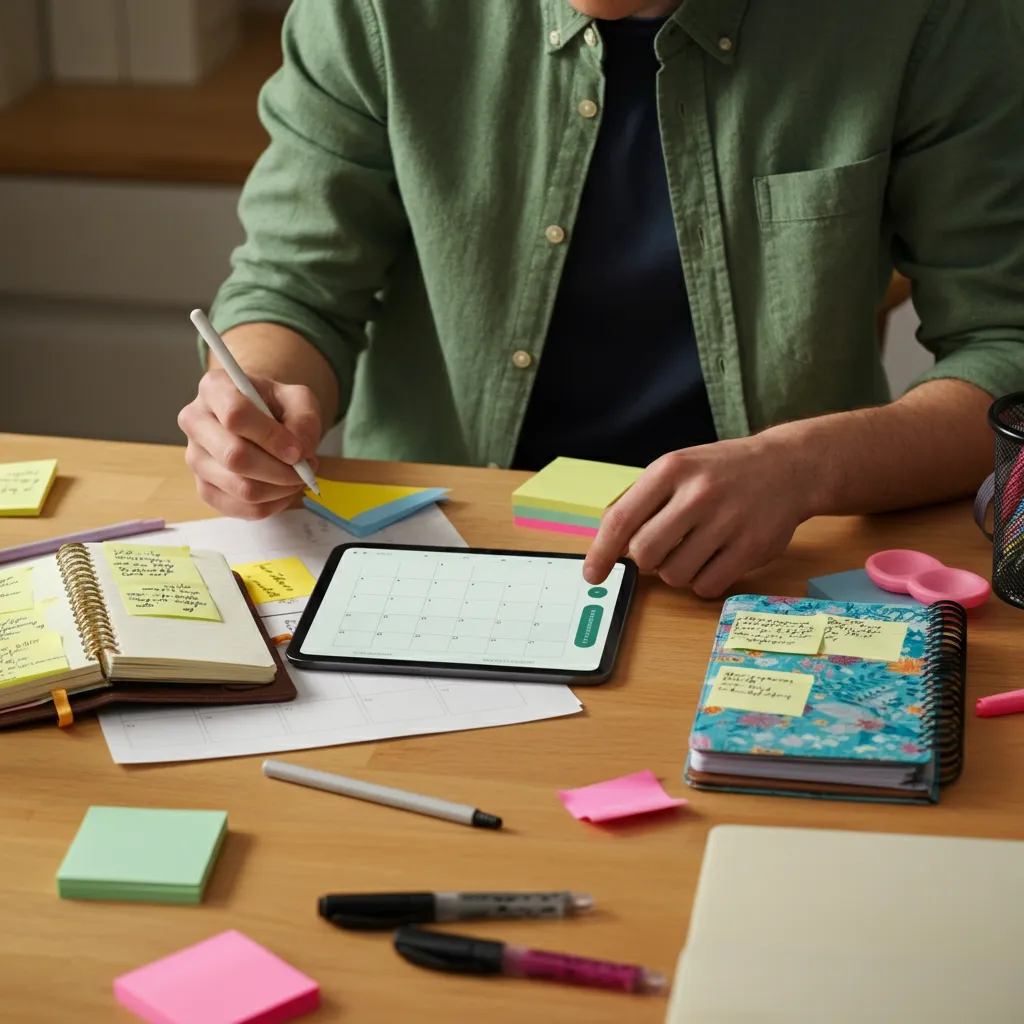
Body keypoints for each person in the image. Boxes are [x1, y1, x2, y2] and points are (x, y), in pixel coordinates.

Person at [178, 0, 1024, 596]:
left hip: (775, 566)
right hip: (441, 550)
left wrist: (807, 466)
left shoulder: (930, 17)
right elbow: (295, 287)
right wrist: (256, 399)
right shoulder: (372, 11)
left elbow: (1007, 349)